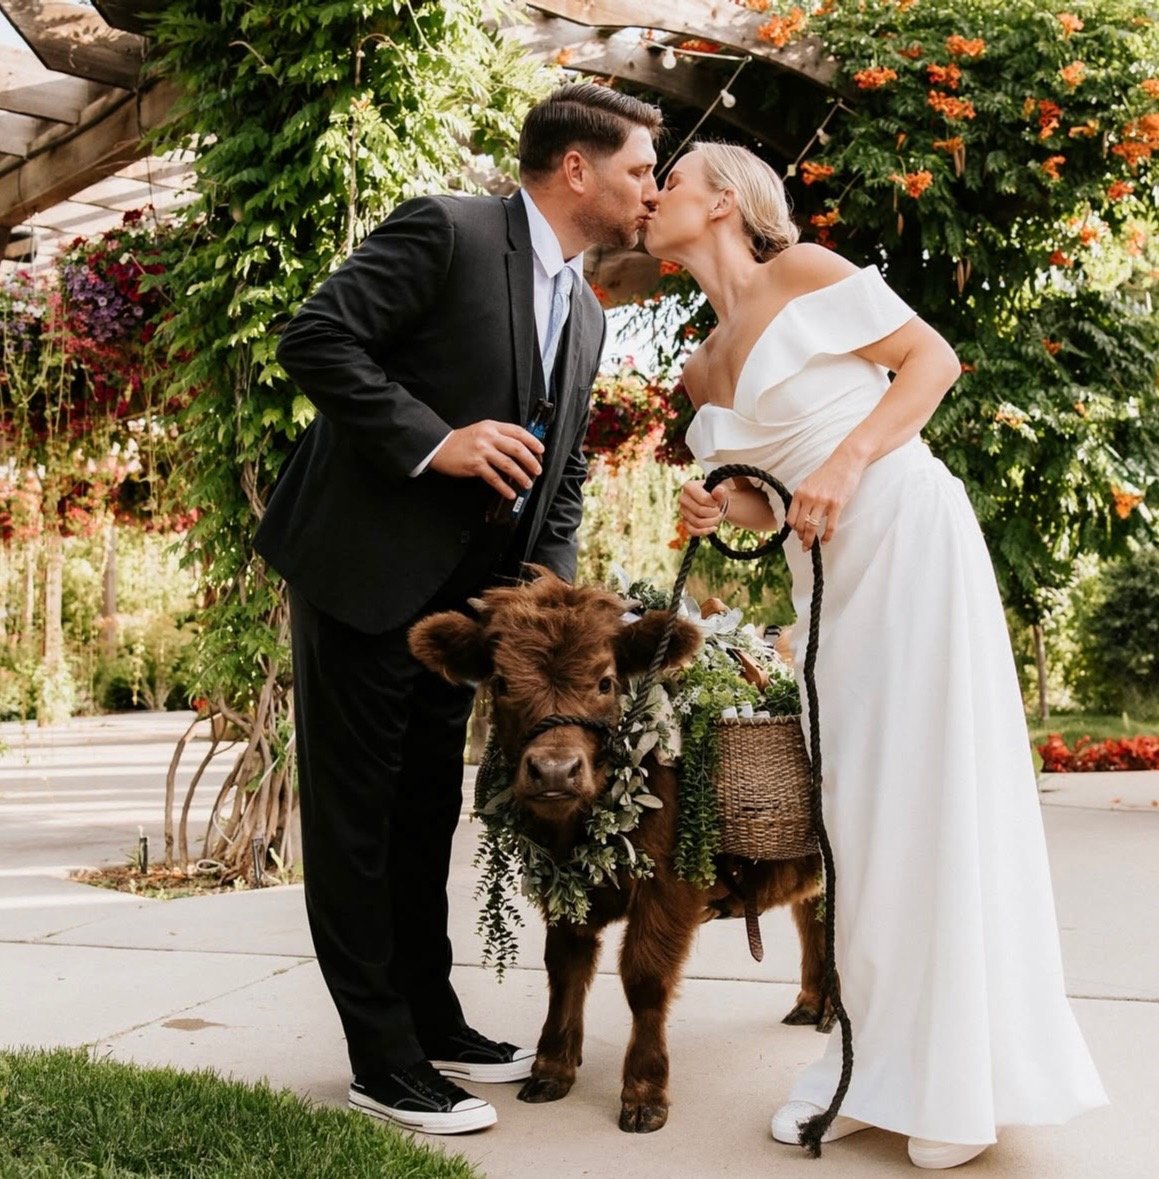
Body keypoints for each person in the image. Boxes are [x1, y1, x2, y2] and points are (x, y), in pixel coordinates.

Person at [648, 142, 1107, 1170]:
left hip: (905, 531)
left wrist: (850, 458)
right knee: (859, 817)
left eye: (667, 181)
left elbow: (931, 362)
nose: (650, 197)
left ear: (722, 199)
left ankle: (958, 1080)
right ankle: (877, 1060)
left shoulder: (802, 271)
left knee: (933, 794)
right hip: (829, 581)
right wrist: (717, 501)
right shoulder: (696, 365)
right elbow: (767, 489)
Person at [255, 83, 661, 1136]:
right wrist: (439, 441)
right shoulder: (446, 229)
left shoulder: (583, 308)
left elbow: (560, 478)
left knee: (426, 809)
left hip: (469, 622)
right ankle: (379, 1058)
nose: (650, 190)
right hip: (361, 573)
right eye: (638, 170)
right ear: (577, 169)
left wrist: (546, 608)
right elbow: (316, 338)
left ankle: (430, 1015)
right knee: (355, 823)